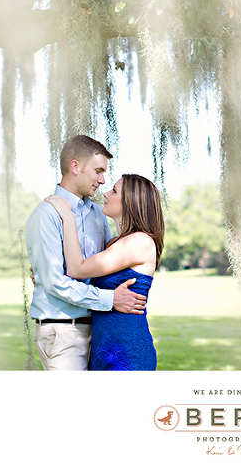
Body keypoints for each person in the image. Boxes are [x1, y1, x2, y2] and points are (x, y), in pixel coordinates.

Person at [25, 135, 147, 371]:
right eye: (98, 171)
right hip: (63, 331)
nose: (102, 180)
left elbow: (105, 267)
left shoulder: (98, 214)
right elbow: (55, 283)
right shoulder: (46, 215)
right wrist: (111, 299)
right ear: (75, 167)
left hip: (100, 329)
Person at [44, 173, 164, 370]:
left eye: (114, 191)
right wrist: (46, 272)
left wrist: (67, 216)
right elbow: (83, 277)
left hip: (127, 352)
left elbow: (77, 269)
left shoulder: (140, 241)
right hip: (102, 349)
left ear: (131, 202)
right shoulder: (114, 243)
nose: (106, 193)